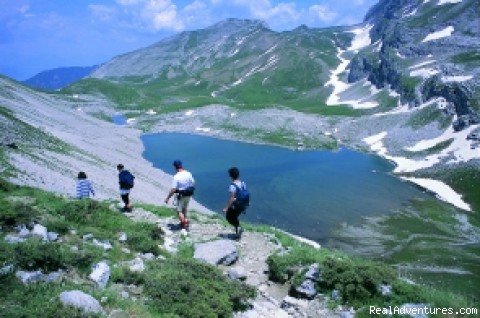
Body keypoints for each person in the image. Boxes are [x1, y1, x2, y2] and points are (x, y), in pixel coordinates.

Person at [164, 160, 195, 230]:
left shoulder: (176, 177)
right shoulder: (188, 173)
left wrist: (167, 198)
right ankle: (184, 221)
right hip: (189, 194)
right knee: (185, 208)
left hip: (181, 195)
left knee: (179, 211)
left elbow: (173, 189)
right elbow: (193, 182)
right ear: (181, 165)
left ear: (175, 167)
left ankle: (184, 224)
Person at [223, 167, 248, 239]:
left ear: (231, 176)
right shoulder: (243, 183)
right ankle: (237, 234)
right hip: (244, 204)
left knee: (229, 217)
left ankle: (239, 228)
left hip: (237, 205)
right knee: (235, 216)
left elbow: (232, 198)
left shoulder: (232, 186)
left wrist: (226, 208)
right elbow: (244, 193)